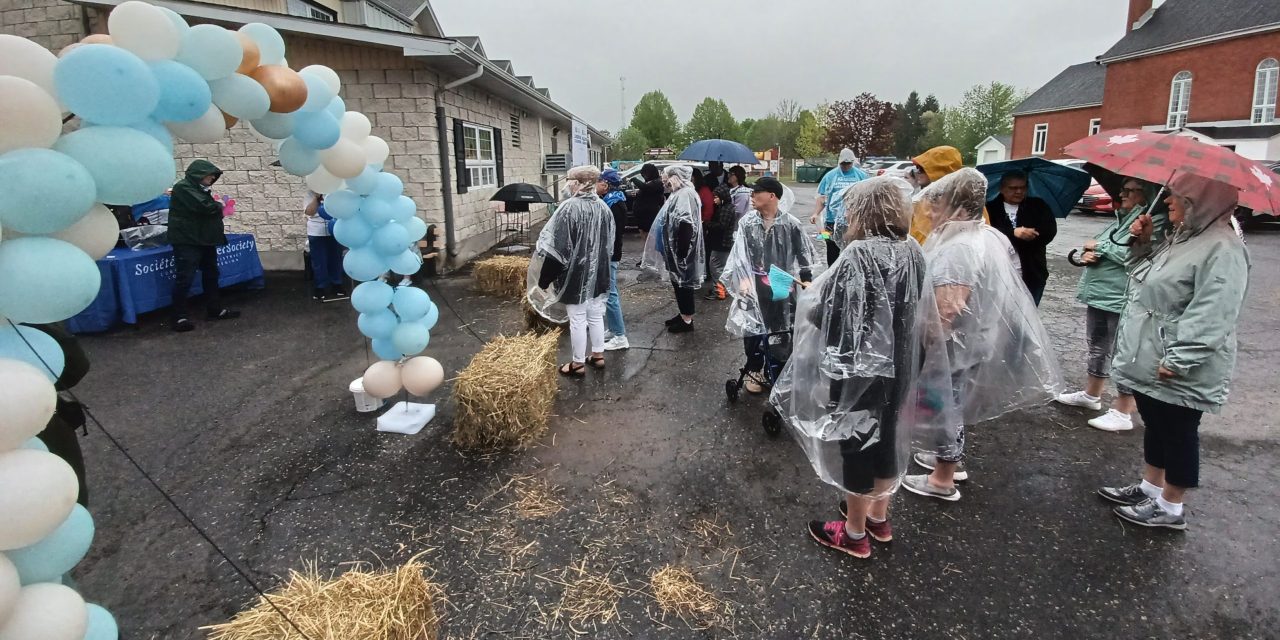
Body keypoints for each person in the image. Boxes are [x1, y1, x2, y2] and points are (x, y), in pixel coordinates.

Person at [772, 176, 950, 559]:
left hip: (859, 371)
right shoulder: (913, 252)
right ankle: (878, 518)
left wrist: (809, 298)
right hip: (901, 367)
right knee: (886, 439)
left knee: (856, 445)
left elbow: (832, 316)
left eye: (852, 208)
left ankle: (853, 534)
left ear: (864, 212)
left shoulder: (857, 256)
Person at [1099, 173, 1250, 530]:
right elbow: (1140, 277)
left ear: (1200, 202)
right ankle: (1150, 488)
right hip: (1154, 351)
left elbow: (1215, 310)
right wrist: (1142, 244)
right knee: (1156, 423)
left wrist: (1182, 356)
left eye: (1176, 196)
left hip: (1179, 359)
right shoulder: (1181, 238)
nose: (1167, 201)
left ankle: (1171, 506)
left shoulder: (1223, 248)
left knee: (1179, 430)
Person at [901, 169, 1063, 502]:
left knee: (948, 403)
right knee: (953, 401)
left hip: (955, 346)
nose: (928, 214)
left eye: (935, 206)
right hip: (979, 340)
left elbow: (947, 309)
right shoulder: (989, 236)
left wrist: (922, 341)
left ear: (957, 208)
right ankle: (947, 457)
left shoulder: (956, 248)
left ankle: (944, 477)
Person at [1057, 178, 1169, 431]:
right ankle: (1092, 394)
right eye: (1124, 189)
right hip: (1100, 293)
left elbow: (1132, 254)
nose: (1123, 193)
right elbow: (1097, 246)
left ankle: (1123, 410)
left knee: (1124, 353)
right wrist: (1088, 254)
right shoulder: (1122, 219)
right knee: (1097, 345)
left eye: (1131, 190)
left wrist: (1100, 247)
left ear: (1148, 195)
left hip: (1122, 297)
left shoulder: (1154, 221)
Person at [721, 177, 813, 393]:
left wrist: (807, 278)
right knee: (753, 327)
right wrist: (743, 282)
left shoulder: (791, 224)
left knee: (780, 326)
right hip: (753, 282)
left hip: (781, 281)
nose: (751, 197)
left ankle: (779, 368)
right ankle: (754, 370)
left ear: (772, 196)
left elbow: (804, 255)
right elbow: (739, 256)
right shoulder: (747, 223)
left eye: (756, 193)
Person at [528, 165, 615, 376]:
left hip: (575, 275)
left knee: (577, 318)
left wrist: (544, 279)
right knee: (595, 314)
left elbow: (557, 249)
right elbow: (611, 242)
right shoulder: (603, 207)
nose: (568, 185)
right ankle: (598, 355)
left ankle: (577, 364)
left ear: (578, 183)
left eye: (570, 181)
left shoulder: (569, 208)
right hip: (599, 272)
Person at [167, 159, 239, 332]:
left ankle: (215, 309)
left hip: (205, 239)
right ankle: (179, 316)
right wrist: (218, 204)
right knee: (185, 277)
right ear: (198, 174)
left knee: (211, 274)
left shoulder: (200, 189)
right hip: (187, 240)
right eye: (210, 174)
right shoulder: (183, 187)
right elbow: (205, 207)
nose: (213, 177)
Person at [641, 165, 705, 333]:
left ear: (676, 177)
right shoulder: (678, 193)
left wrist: (682, 252)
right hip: (675, 249)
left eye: (667, 177)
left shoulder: (685, 195)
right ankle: (684, 313)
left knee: (684, 284)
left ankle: (687, 320)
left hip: (682, 250)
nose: (664, 180)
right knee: (678, 283)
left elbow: (686, 224)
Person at [987, 171, 1058, 305]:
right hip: (999, 273)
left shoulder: (1038, 205)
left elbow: (1049, 230)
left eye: (1023, 187)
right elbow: (986, 231)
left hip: (1032, 271)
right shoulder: (990, 208)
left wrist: (1029, 236)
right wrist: (1013, 232)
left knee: (1028, 318)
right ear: (1002, 189)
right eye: (1013, 188)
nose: (1019, 191)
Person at [811, 148, 869, 265]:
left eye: (848, 163)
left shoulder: (861, 176)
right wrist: (816, 213)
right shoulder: (830, 176)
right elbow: (822, 197)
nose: (846, 166)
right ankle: (832, 274)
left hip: (853, 221)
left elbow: (869, 197)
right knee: (831, 248)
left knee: (852, 251)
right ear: (839, 162)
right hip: (831, 220)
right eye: (843, 163)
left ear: (852, 162)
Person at [907, 145, 970, 244]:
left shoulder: (966, 203)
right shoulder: (922, 200)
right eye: (917, 168)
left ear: (941, 170)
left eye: (922, 168)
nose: (918, 172)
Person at [598, 168, 630, 351]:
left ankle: (620, 336)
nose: (597, 185)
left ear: (607, 184)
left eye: (600, 181)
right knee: (608, 292)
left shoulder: (615, 204)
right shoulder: (611, 201)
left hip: (610, 254)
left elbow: (612, 233)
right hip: (609, 253)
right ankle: (613, 329)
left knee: (610, 294)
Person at [304, 191, 348, 302]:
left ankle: (337, 284)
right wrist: (316, 198)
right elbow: (309, 212)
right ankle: (320, 286)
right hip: (316, 231)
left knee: (336, 258)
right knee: (319, 260)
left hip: (334, 229)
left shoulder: (335, 192)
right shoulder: (310, 194)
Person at [703, 184, 736, 300]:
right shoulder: (726, 207)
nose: (714, 199)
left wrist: (706, 223)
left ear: (723, 197)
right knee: (720, 266)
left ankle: (719, 292)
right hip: (724, 242)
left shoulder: (726, 209)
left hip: (722, 243)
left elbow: (722, 226)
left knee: (715, 266)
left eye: (716, 197)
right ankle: (722, 289)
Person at [632, 163, 666, 236]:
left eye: (645, 174)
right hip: (643, 215)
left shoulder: (657, 182)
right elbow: (645, 193)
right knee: (644, 234)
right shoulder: (649, 181)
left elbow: (646, 188)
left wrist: (635, 180)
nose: (644, 176)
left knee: (650, 235)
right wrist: (637, 195)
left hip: (650, 215)